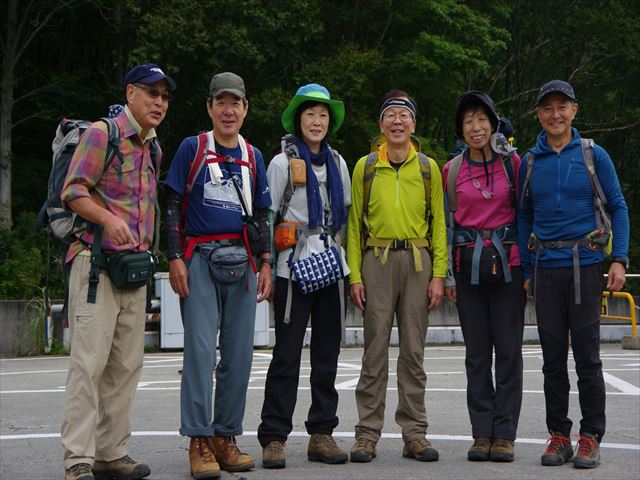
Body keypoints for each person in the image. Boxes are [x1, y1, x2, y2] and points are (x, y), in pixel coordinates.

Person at [60, 63, 175, 480]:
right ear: (130, 93)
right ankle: (78, 458)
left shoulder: (153, 147)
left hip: (134, 270)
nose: (159, 102)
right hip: (96, 265)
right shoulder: (102, 134)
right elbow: (73, 190)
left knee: (126, 367)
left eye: (164, 96)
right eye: (152, 93)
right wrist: (107, 219)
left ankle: (111, 452)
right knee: (88, 365)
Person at [164, 72, 272, 479]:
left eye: (236, 103)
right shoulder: (192, 148)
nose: (229, 110)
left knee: (240, 355)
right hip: (199, 259)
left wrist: (266, 262)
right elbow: (171, 202)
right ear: (209, 107)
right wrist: (174, 257)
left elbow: (263, 213)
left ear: (245, 109)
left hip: (243, 261)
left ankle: (225, 437)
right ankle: (198, 440)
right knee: (200, 354)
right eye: (221, 102)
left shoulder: (253, 155)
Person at [518, 79, 629, 469]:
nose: (555, 115)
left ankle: (590, 437)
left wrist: (619, 259)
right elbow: (524, 216)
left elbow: (618, 206)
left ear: (574, 110)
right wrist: (527, 269)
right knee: (552, 360)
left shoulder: (593, 155)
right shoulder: (530, 162)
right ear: (538, 115)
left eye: (562, 107)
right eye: (547, 108)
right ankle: (559, 436)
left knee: (587, 359)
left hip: (586, 267)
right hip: (546, 270)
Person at [346, 90, 447, 463]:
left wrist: (439, 274)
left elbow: (439, 225)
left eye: (404, 115)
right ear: (381, 124)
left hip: (418, 261)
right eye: (391, 115)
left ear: (414, 124)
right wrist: (354, 276)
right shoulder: (367, 166)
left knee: (413, 352)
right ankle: (367, 434)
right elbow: (354, 226)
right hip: (377, 259)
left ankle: (415, 433)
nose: (398, 121)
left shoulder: (428, 168)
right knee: (374, 351)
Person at [257, 83, 352, 468]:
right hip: (291, 268)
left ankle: (322, 433)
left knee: (328, 352)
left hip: (329, 263)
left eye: (323, 114)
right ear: (298, 119)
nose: (317, 121)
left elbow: (344, 219)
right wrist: (266, 260)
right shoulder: (281, 163)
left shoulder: (338, 163)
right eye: (310, 113)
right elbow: (266, 216)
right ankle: (274, 437)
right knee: (286, 354)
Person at [443, 91, 524, 462]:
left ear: (493, 124)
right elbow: (445, 226)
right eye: (468, 120)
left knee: (508, 352)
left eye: (481, 119)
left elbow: (526, 214)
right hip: (467, 268)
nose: (476, 127)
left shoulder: (513, 163)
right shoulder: (451, 170)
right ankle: (481, 433)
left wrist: (528, 268)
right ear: (461, 128)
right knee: (476, 354)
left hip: (509, 265)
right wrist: (446, 276)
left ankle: (504, 434)